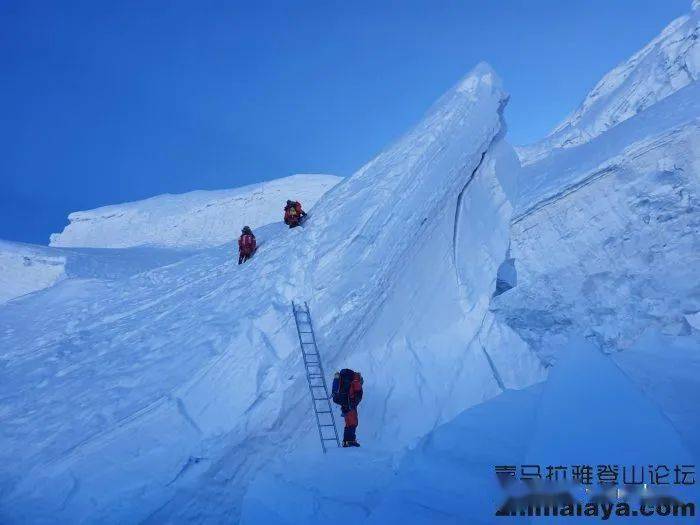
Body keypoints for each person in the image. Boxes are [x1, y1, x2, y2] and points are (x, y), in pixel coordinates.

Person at [332, 369, 363, 447]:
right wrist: (353, 403)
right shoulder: (356, 380)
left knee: (348, 422)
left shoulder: (343, 379)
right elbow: (358, 393)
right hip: (350, 404)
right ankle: (350, 441)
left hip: (343, 402)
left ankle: (346, 441)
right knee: (353, 422)